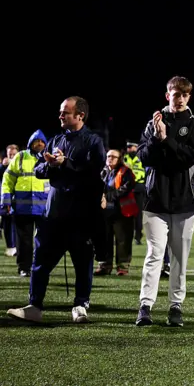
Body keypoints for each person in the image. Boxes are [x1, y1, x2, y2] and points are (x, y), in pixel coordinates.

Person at [7, 96, 106, 323]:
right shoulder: (55, 140)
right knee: (40, 261)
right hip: (53, 213)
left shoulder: (93, 141)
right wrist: (50, 164)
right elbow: (40, 170)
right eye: (61, 112)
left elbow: (94, 172)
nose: (61, 116)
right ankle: (35, 306)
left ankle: (80, 305)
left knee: (83, 262)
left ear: (80, 115)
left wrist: (66, 164)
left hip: (81, 214)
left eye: (66, 112)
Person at [135, 76, 194, 327]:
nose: (180, 99)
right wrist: (157, 138)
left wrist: (166, 139)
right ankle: (145, 306)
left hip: (185, 202)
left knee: (179, 257)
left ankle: (175, 307)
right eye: (175, 94)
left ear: (189, 97)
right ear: (167, 95)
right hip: (156, 200)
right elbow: (144, 157)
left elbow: (191, 157)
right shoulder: (152, 123)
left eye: (184, 95)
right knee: (154, 254)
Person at [1, 130, 48, 277]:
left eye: (42, 141)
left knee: (44, 241)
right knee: (24, 241)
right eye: (36, 141)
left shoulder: (49, 157)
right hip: (22, 207)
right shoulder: (20, 157)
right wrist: (6, 201)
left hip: (44, 207)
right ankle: (24, 268)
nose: (39, 144)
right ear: (30, 143)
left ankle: (42, 267)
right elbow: (7, 180)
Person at [95, 149, 139, 276]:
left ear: (119, 159)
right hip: (105, 212)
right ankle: (104, 265)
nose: (110, 158)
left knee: (123, 241)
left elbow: (125, 188)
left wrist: (107, 196)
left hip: (122, 212)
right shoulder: (103, 171)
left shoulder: (126, 171)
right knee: (105, 240)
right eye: (108, 156)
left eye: (113, 157)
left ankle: (123, 267)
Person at [123, 142, 146, 245]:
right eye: (128, 147)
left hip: (139, 187)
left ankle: (138, 236)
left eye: (131, 147)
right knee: (125, 213)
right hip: (127, 187)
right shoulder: (125, 158)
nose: (129, 149)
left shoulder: (142, 157)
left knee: (138, 214)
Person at [1, 144, 19, 256]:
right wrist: (3, 167)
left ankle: (17, 246)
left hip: (20, 199)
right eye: (10, 154)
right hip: (7, 198)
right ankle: (10, 246)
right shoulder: (4, 166)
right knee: (7, 223)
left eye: (14, 154)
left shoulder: (21, 165)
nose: (12, 156)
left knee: (18, 224)